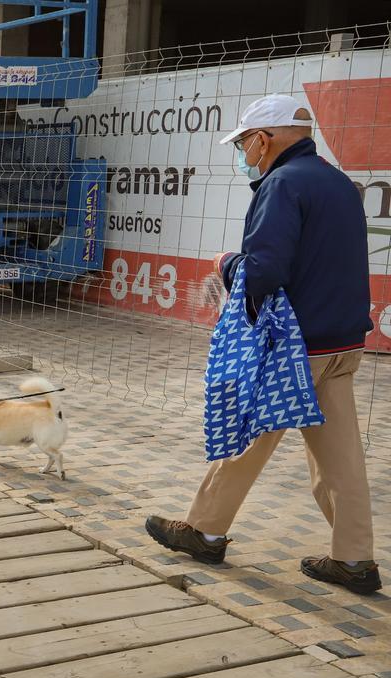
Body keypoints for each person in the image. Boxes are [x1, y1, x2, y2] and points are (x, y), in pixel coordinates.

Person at [146, 94, 380, 595]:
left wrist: (226, 262)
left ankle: (206, 532)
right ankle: (355, 560)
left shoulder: (282, 184)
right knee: (341, 459)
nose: (243, 152)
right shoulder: (338, 182)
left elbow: (266, 271)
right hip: (343, 341)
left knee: (248, 430)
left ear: (263, 138)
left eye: (243, 142)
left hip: (296, 346)